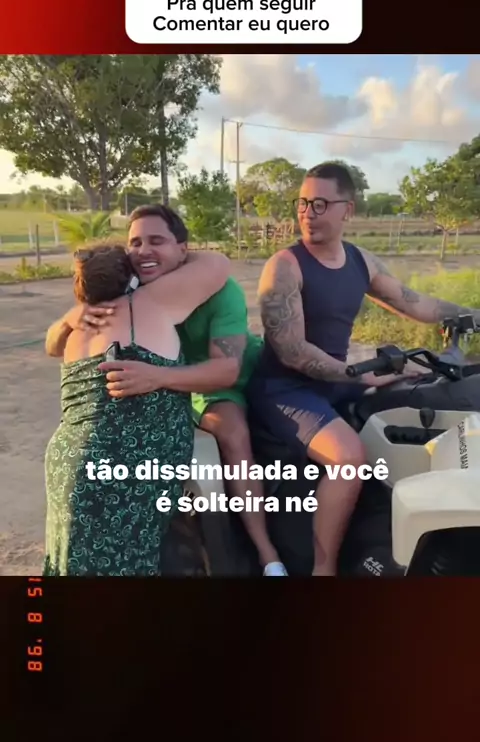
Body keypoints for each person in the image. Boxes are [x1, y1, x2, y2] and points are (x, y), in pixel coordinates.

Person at [247, 161, 480, 576]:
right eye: (303, 203)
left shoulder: (360, 261)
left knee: (412, 399)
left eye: (320, 204)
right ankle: (323, 571)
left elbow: (413, 302)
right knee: (349, 457)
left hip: (338, 381)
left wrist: (471, 315)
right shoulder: (284, 266)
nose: (308, 213)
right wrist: (358, 373)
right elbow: (292, 351)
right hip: (286, 390)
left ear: (347, 210)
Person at [45, 205, 286, 576]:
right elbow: (53, 344)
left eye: (156, 241)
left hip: (225, 378)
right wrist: (68, 318)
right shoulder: (134, 291)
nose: (143, 251)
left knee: (234, 433)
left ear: (184, 249)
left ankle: (265, 551)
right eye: (135, 243)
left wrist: (157, 377)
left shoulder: (221, 292)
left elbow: (225, 370)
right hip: (176, 383)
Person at [43, 241, 230, 576]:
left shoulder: (78, 326)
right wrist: (163, 254)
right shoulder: (150, 301)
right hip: (124, 466)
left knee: (72, 564)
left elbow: (49, 346)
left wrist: (69, 317)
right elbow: (218, 263)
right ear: (130, 277)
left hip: (67, 461)